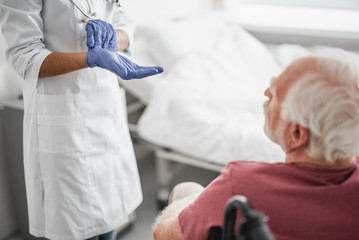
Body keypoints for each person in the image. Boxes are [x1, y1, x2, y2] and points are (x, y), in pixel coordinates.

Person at [153, 48, 359, 240]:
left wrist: (200, 200)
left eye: (277, 93)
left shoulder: (241, 187)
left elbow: (162, 233)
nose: (266, 92)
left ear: (297, 134)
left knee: (185, 189)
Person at [0, 1, 163, 240]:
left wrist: (112, 40)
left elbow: (124, 22)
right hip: (63, 117)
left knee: (109, 218)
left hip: (105, 110)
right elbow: (24, 56)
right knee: (75, 225)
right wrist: (89, 59)